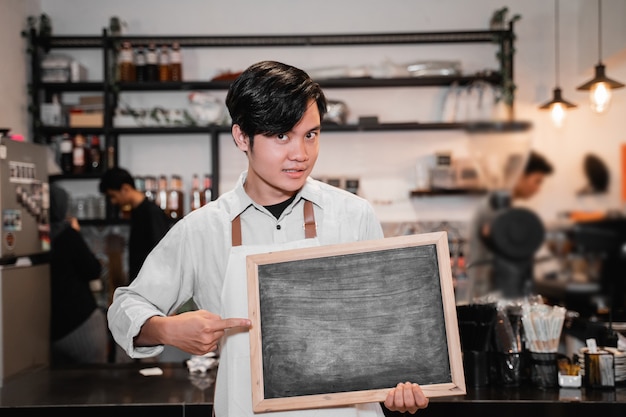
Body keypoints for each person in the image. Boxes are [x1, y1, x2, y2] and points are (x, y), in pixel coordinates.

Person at [107, 61, 429, 416]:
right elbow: (125, 308)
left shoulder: (353, 216)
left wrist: (403, 380)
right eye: (281, 136)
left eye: (311, 134)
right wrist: (165, 329)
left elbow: (385, 324)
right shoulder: (203, 228)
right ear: (242, 137)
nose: (300, 154)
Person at [467, 150, 554, 300]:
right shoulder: (494, 210)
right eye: (537, 181)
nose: (538, 189)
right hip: (493, 297)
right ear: (519, 176)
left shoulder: (502, 209)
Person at [49, 184, 108, 366]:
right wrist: (75, 233)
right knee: (94, 383)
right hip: (80, 322)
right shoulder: (67, 235)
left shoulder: (40, 236)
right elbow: (92, 270)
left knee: (60, 387)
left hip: (50, 325)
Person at [98, 167, 171, 284]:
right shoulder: (137, 212)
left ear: (125, 189)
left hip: (151, 288)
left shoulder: (151, 212)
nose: (113, 201)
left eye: (113, 196)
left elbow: (163, 254)